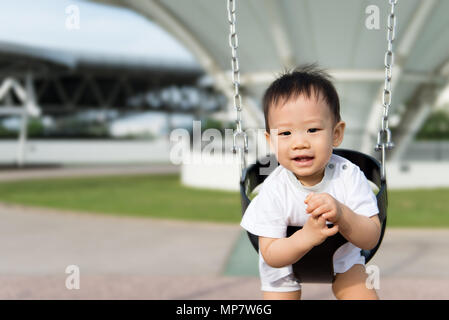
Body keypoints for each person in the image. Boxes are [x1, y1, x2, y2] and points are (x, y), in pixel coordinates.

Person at [240, 64, 381, 300]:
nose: (299, 143)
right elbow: (272, 255)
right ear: (271, 141)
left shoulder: (348, 175)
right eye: (285, 133)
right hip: (282, 268)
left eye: (312, 129)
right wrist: (307, 236)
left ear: (336, 133)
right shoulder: (274, 189)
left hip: (343, 261)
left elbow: (370, 237)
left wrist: (342, 213)